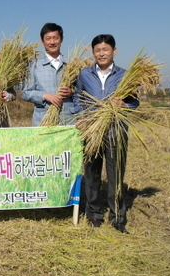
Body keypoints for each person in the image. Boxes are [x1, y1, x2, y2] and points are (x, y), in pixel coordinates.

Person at [73, 34, 139, 234]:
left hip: (115, 133)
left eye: (105, 50)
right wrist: (82, 117)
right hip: (92, 132)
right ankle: (94, 214)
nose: (101, 53)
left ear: (114, 51)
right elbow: (78, 99)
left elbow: (135, 102)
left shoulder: (126, 75)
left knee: (115, 176)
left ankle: (118, 217)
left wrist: (124, 105)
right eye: (97, 50)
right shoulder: (84, 74)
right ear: (93, 53)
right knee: (92, 175)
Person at [21, 23, 75, 127]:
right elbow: (25, 93)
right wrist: (44, 96)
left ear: (61, 39)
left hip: (68, 121)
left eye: (56, 38)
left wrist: (72, 92)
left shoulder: (71, 65)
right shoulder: (34, 64)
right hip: (43, 121)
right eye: (48, 38)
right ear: (42, 41)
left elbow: (82, 91)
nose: (52, 42)